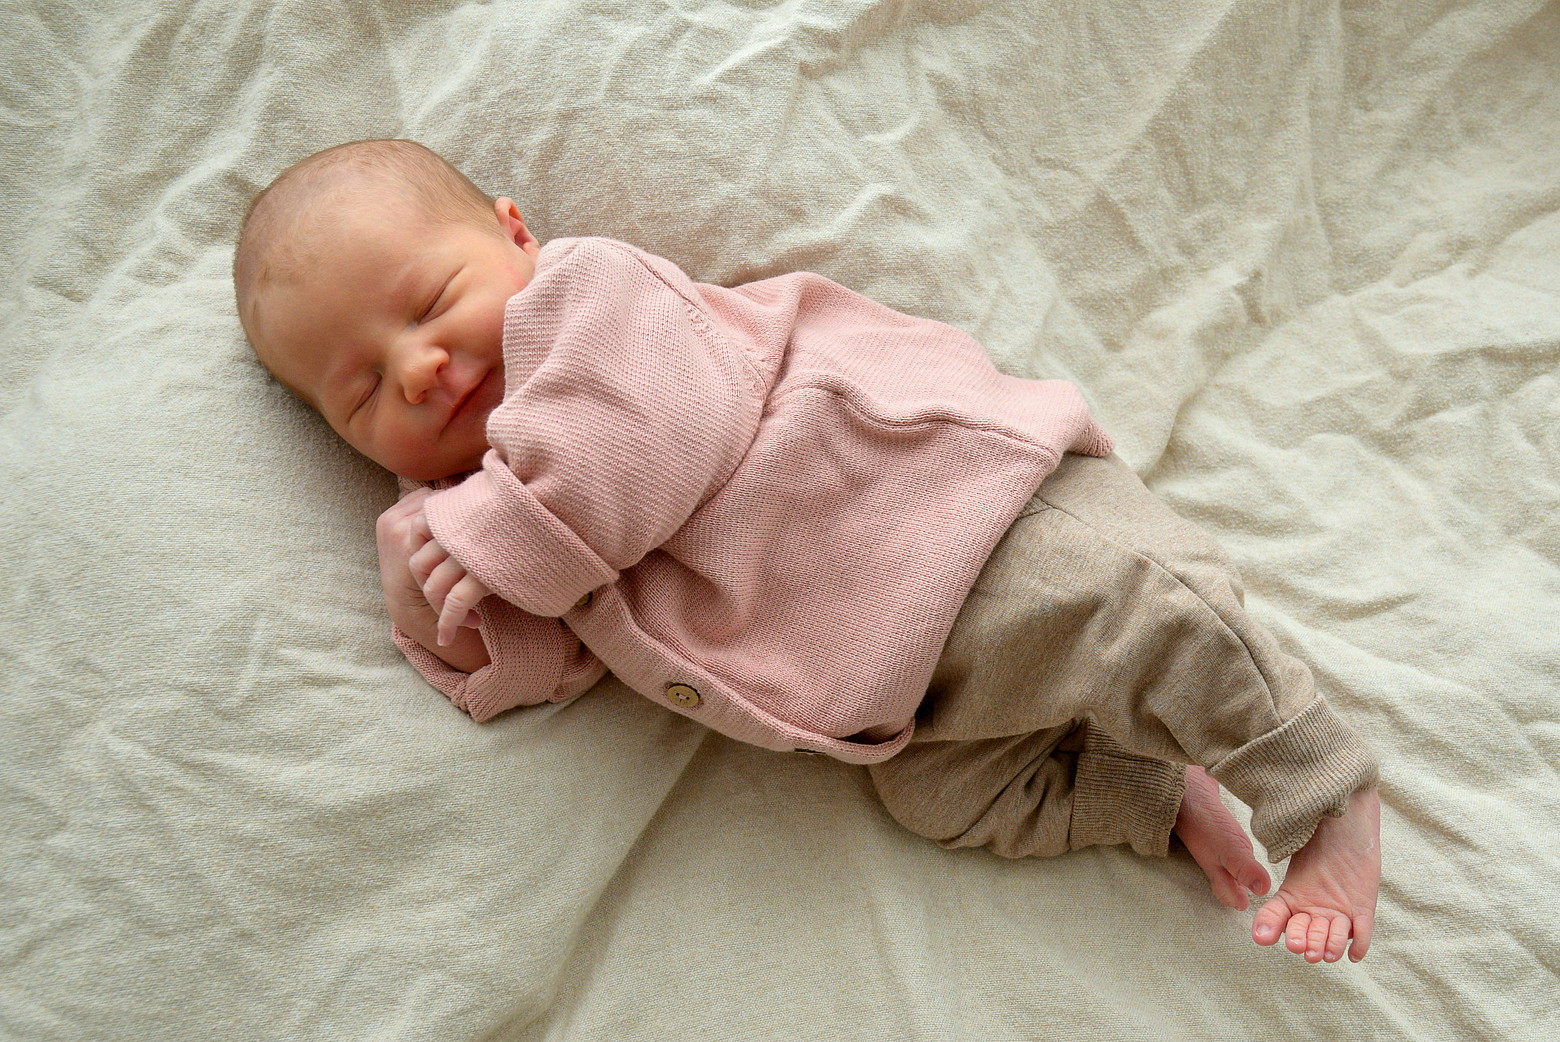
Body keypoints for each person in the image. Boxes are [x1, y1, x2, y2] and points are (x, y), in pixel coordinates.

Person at [234, 139, 1382, 965]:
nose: (419, 369)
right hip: (895, 694)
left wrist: (489, 537)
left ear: (514, 233)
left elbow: (655, 439)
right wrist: (438, 610)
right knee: (945, 799)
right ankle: (1151, 789)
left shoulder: (591, 303)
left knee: (1146, 609)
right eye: (362, 390)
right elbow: (557, 663)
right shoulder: (474, 513)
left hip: (953, 512)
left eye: (430, 302)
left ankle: (1322, 793)